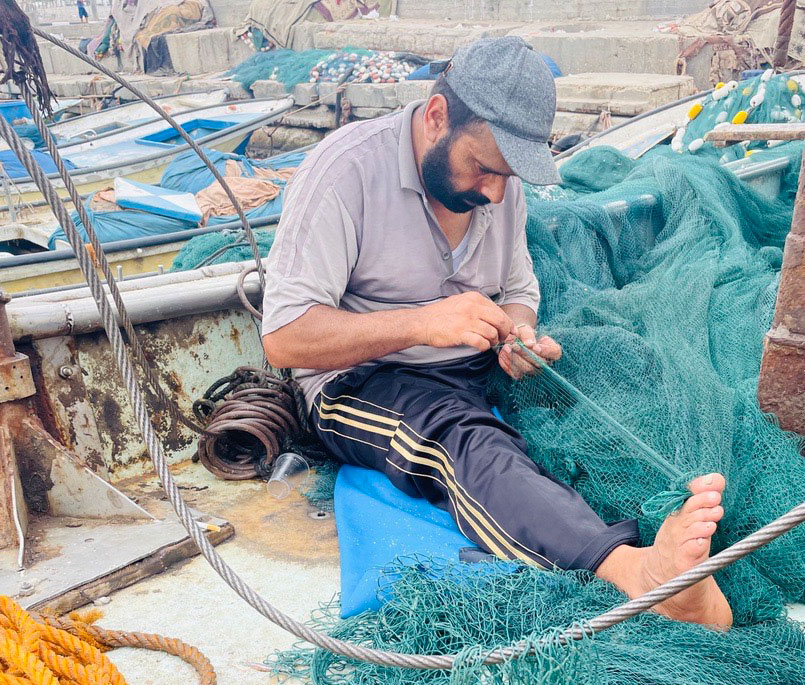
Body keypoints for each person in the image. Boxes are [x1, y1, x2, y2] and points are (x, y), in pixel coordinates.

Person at [262, 37, 732, 628]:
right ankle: (632, 572)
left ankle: (682, 525)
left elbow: (518, 291)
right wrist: (424, 322)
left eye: (507, 176)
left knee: (611, 371)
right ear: (436, 118)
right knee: (463, 442)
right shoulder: (343, 174)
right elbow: (283, 337)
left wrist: (523, 336)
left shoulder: (499, 188)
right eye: (483, 168)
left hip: (473, 363)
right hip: (362, 381)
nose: (495, 193)